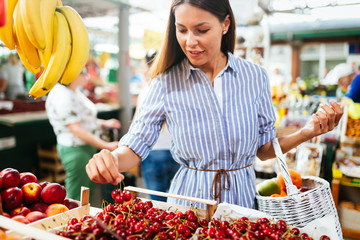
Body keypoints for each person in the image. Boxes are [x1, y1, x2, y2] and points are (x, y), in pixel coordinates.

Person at [86, 0, 343, 209]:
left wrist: (307, 132)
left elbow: (264, 150)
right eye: (182, 29)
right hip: (189, 206)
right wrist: (109, 159)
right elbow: (135, 146)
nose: (189, 41)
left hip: (242, 204)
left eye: (202, 30)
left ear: (225, 24)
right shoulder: (165, 82)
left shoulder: (254, 77)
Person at [46, 69, 121, 201]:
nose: (86, 76)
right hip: (75, 149)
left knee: (87, 191)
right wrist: (106, 145)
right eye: (82, 72)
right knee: (76, 194)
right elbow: (76, 129)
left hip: (86, 147)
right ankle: (71, 220)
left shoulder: (74, 92)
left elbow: (83, 120)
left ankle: (84, 220)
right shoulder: (62, 95)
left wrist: (104, 123)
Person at [136, 49, 180, 201]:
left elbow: (137, 125)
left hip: (153, 152)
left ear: (150, 66)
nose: (142, 70)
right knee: (177, 200)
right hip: (177, 152)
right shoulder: (177, 87)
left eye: (143, 66)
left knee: (157, 202)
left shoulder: (148, 90)